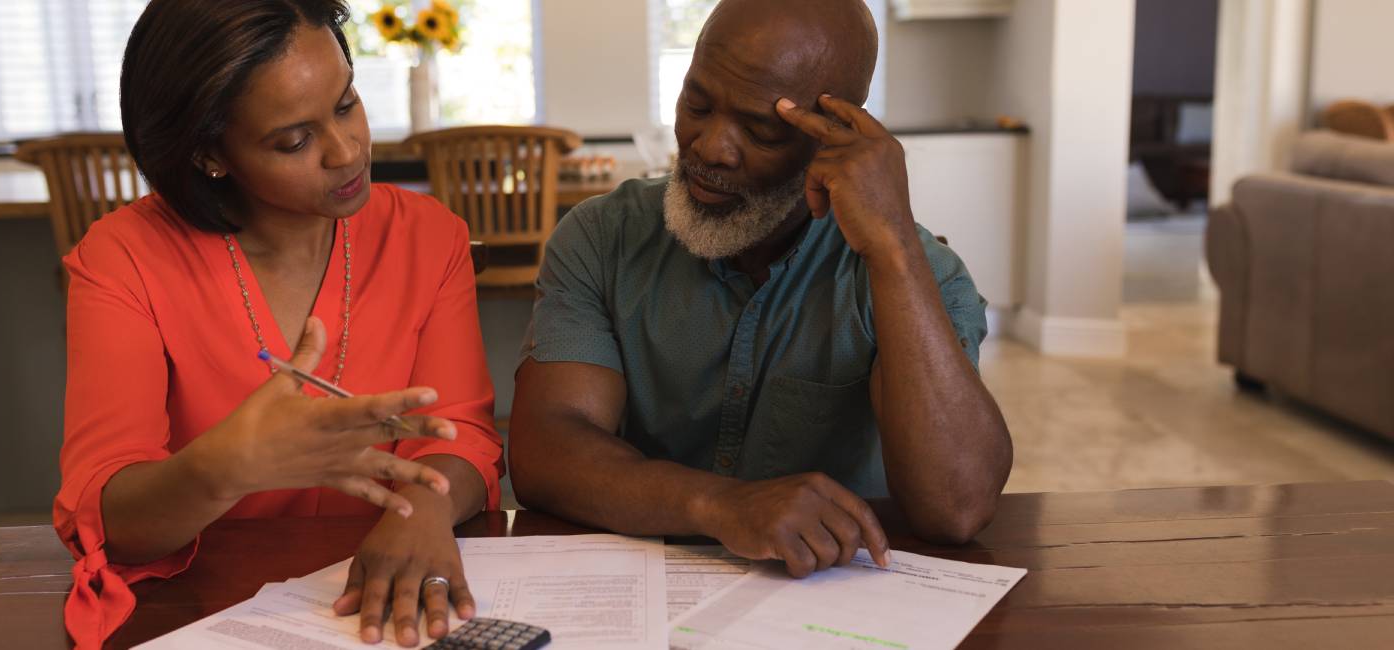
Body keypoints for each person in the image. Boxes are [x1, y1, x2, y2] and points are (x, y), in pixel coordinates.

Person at [510, 0, 1013, 578]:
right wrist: (720, 505)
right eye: (696, 103)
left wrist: (893, 248)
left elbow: (957, 509)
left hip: (839, 597)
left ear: (836, 134)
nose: (709, 147)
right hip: (647, 585)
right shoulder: (603, 238)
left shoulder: (915, 270)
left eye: (761, 129)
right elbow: (546, 451)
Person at [53, 1, 499, 647]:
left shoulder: (428, 237)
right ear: (210, 153)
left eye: (346, 104)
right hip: (202, 614)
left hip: (369, 606)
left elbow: (462, 436)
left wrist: (425, 505)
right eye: (294, 140)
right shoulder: (123, 259)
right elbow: (108, 516)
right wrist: (227, 466)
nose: (347, 152)